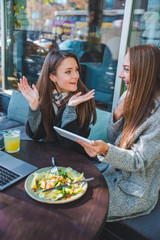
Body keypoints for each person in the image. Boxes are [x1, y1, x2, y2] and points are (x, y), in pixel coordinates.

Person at [77, 44, 160, 222]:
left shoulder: (158, 116)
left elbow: (139, 160)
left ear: (144, 72)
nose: (121, 74)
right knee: (67, 189)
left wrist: (106, 150)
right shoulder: (129, 95)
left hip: (133, 191)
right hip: (110, 173)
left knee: (76, 206)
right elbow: (113, 137)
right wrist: (118, 113)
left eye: (127, 69)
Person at [18, 50, 96, 156]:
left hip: (74, 158)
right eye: (68, 72)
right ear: (52, 77)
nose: (76, 76)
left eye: (76, 70)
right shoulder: (45, 96)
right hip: (48, 154)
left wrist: (70, 108)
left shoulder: (83, 99)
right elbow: (35, 136)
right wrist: (34, 105)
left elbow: (70, 144)